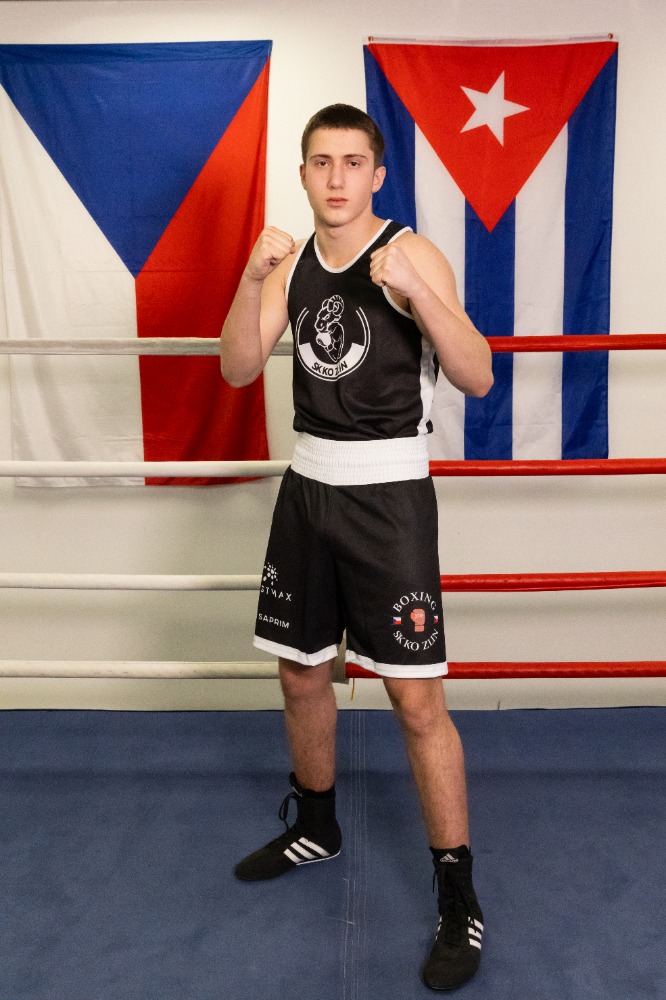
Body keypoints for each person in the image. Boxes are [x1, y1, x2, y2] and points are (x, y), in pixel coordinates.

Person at [220, 103, 493, 992]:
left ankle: (457, 895)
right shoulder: (290, 260)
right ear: (303, 174)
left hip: (390, 497)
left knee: (416, 701)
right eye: (320, 162)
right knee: (301, 673)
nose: (336, 178)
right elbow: (236, 367)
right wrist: (248, 280)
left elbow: (477, 373)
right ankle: (317, 823)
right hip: (308, 490)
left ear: (378, 174)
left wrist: (418, 296)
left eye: (352, 162)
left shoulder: (411, 253)